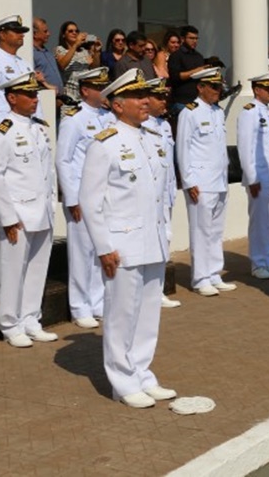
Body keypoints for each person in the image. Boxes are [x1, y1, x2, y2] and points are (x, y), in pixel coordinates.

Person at [79, 68, 175, 408]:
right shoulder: (105, 144)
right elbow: (90, 201)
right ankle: (122, 381)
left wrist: (166, 234)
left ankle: (142, 373)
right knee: (122, 316)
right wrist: (104, 247)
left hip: (153, 240)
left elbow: (160, 194)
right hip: (123, 244)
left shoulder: (153, 138)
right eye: (136, 96)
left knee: (148, 316)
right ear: (118, 105)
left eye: (145, 95)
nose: (145, 101)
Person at [0, 72, 57, 348]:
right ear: (12, 98)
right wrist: (7, 217)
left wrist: (51, 205)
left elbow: (47, 172)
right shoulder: (1, 132)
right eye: (29, 94)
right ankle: (10, 324)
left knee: (37, 269)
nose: (35, 99)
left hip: (42, 211)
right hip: (18, 214)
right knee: (12, 271)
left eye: (36, 94)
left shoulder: (38, 128)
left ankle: (31, 319)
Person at [56, 67, 115, 328]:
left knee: (100, 247)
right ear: (85, 90)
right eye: (98, 87)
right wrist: (71, 198)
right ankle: (80, 306)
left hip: (104, 194)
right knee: (82, 253)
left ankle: (98, 302)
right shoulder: (74, 119)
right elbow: (64, 159)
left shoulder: (108, 117)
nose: (103, 91)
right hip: (81, 194)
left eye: (104, 86)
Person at [176, 67, 234, 296]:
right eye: (214, 86)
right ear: (200, 87)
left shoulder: (217, 112)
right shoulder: (189, 112)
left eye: (219, 86)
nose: (218, 90)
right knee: (201, 230)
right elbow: (183, 148)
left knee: (216, 230)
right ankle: (200, 278)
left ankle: (214, 273)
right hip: (200, 181)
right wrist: (189, 181)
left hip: (219, 179)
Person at [237, 72, 269, 280]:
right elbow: (245, 146)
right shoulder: (250, 112)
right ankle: (257, 263)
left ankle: (268, 259)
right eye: (267, 88)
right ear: (257, 90)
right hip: (259, 176)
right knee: (259, 221)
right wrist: (251, 177)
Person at [142, 78, 182, 309]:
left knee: (164, 239)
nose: (163, 101)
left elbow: (168, 161)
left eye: (164, 96)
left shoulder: (164, 125)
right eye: (158, 97)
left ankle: (158, 289)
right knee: (151, 242)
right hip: (150, 195)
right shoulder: (142, 126)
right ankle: (150, 291)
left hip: (165, 192)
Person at [0, 15, 38, 143]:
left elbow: (34, 96)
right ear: (2, 35)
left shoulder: (25, 65)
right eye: (16, 32)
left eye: (22, 32)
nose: (22, 35)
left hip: (27, 126)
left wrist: (38, 125)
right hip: (5, 127)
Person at [55, 21, 100, 101]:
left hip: (85, 93)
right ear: (63, 35)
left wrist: (96, 52)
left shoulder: (84, 51)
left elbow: (95, 68)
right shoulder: (60, 49)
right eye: (70, 31)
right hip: (70, 93)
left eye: (76, 31)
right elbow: (62, 65)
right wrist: (75, 45)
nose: (74, 33)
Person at [168, 25, 207, 110]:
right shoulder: (176, 55)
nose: (194, 41)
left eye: (196, 38)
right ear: (182, 39)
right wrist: (195, 71)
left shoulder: (199, 56)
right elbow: (175, 77)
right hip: (181, 101)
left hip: (198, 100)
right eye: (191, 38)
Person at [31, 17, 64, 95]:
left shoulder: (47, 52)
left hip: (58, 98)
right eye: (45, 31)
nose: (48, 34)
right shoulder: (31, 53)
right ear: (34, 34)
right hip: (45, 97)